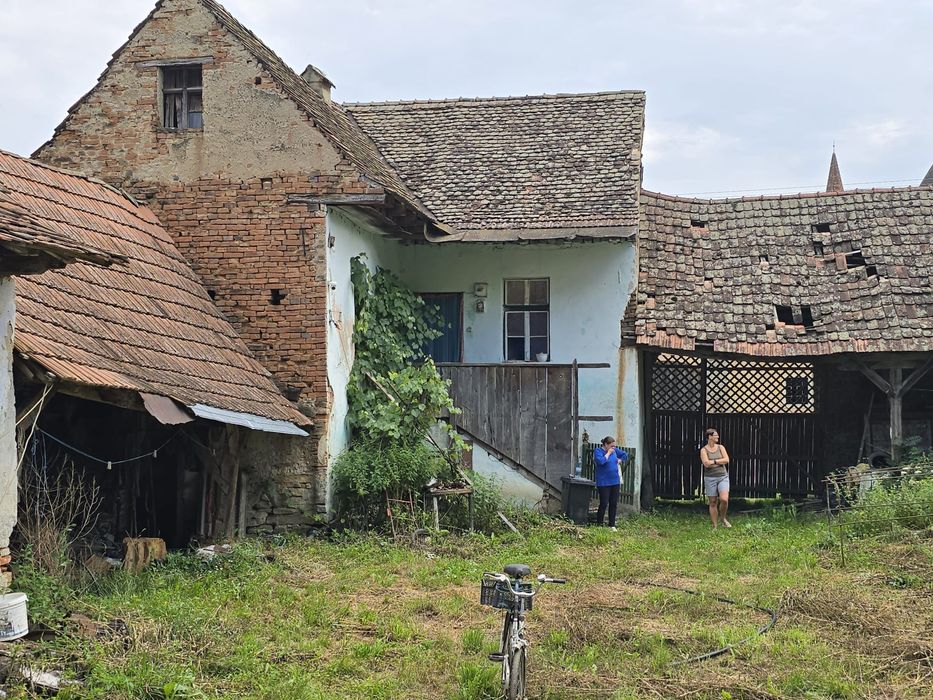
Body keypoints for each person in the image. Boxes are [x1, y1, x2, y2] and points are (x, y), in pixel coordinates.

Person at [593, 437, 628, 530]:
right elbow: (601, 461)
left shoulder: (615, 450)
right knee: (604, 503)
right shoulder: (598, 451)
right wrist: (608, 453)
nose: (613, 448)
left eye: (614, 446)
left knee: (613, 503)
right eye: (611, 446)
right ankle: (599, 524)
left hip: (615, 481)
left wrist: (620, 460)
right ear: (606, 444)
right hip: (603, 482)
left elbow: (625, 454)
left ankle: (611, 524)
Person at [700, 428, 731, 529]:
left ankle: (723, 518)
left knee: (724, 499)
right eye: (715, 435)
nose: (718, 436)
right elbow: (706, 464)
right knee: (713, 502)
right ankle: (715, 526)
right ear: (710, 437)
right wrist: (719, 461)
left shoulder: (721, 447)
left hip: (723, 477)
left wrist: (713, 461)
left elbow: (726, 460)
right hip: (710, 478)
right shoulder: (703, 450)